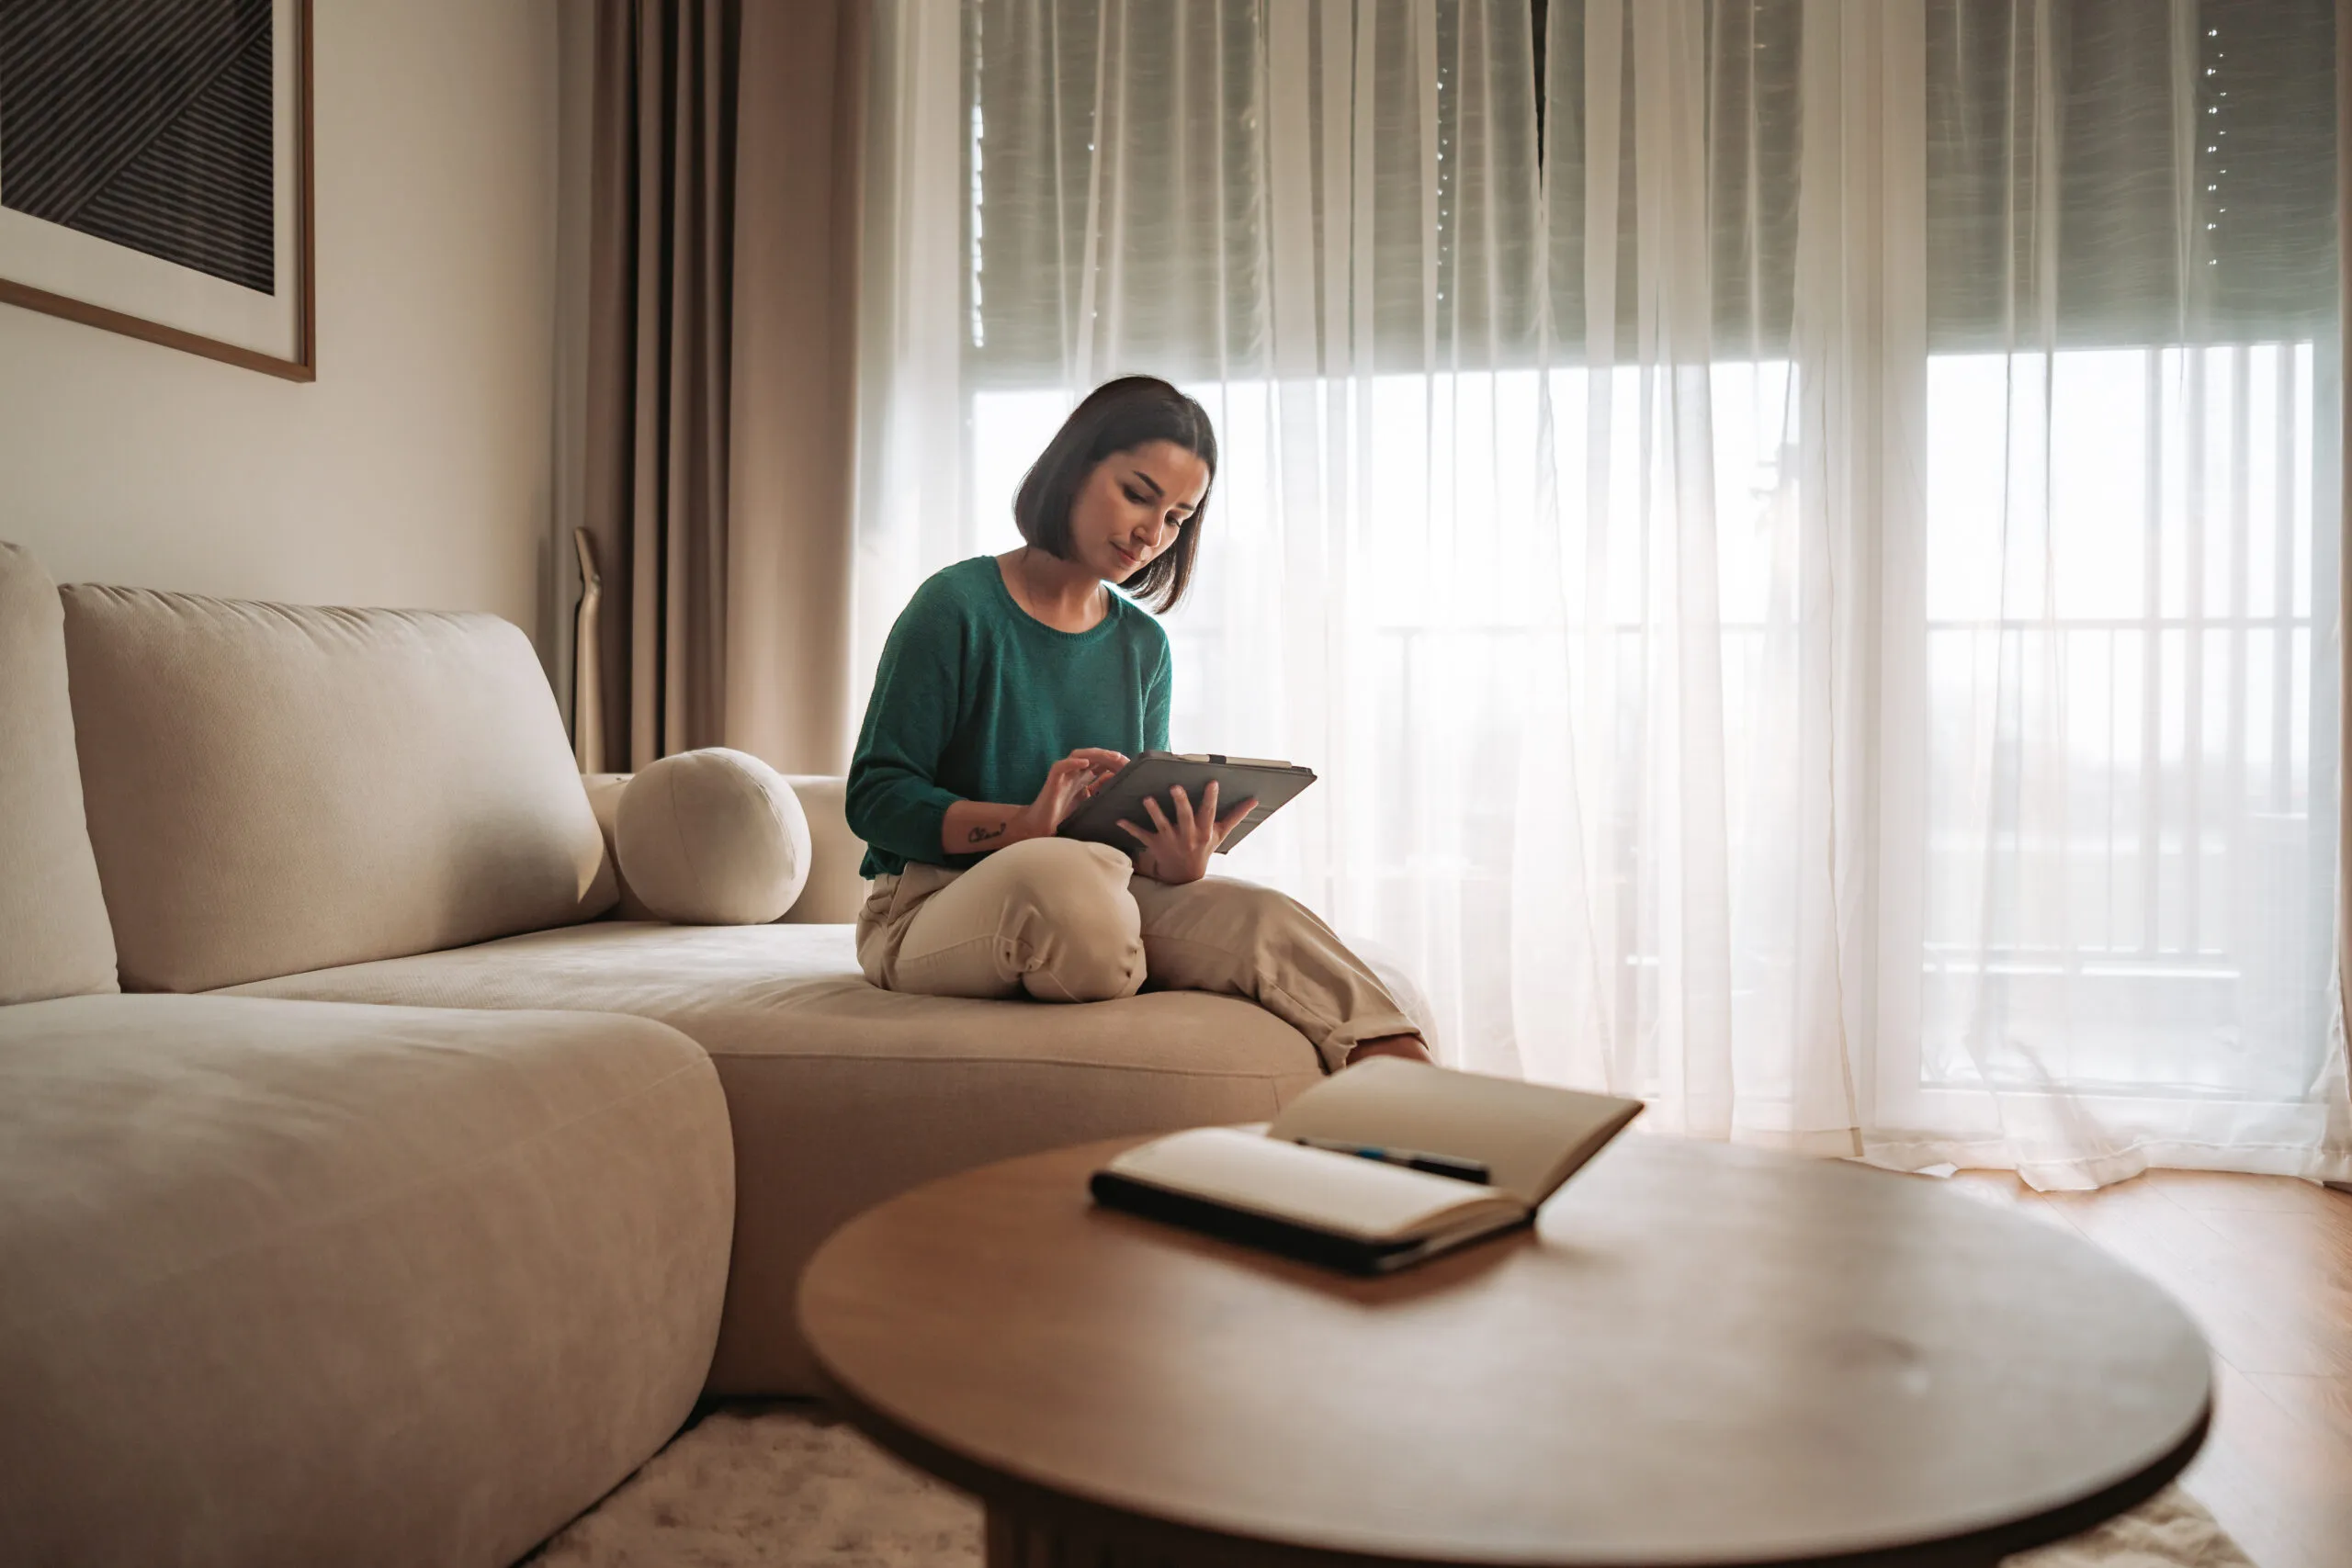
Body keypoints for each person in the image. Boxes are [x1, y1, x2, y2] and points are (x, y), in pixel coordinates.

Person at [845, 375, 1431, 1072]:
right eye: (1138, 495)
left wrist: (1172, 862)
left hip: (1098, 895)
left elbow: (1121, 828)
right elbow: (875, 798)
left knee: (1258, 913)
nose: (1154, 534)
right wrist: (1020, 826)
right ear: (1074, 469)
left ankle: (1399, 1070)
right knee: (1059, 876)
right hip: (929, 905)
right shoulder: (955, 607)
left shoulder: (1142, 645)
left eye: (1179, 517)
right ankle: (1127, 949)